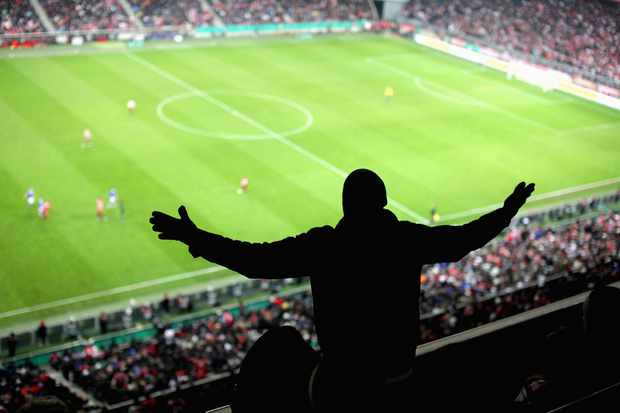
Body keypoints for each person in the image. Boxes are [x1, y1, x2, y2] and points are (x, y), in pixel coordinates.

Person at [150, 169, 535, 411]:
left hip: (338, 389)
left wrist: (196, 237)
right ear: (383, 203)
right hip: (399, 381)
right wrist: (506, 211)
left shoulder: (325, 245)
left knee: (281, 345)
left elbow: (255, 261)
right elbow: (465, 238)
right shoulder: (405, 239)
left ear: (345, 206)